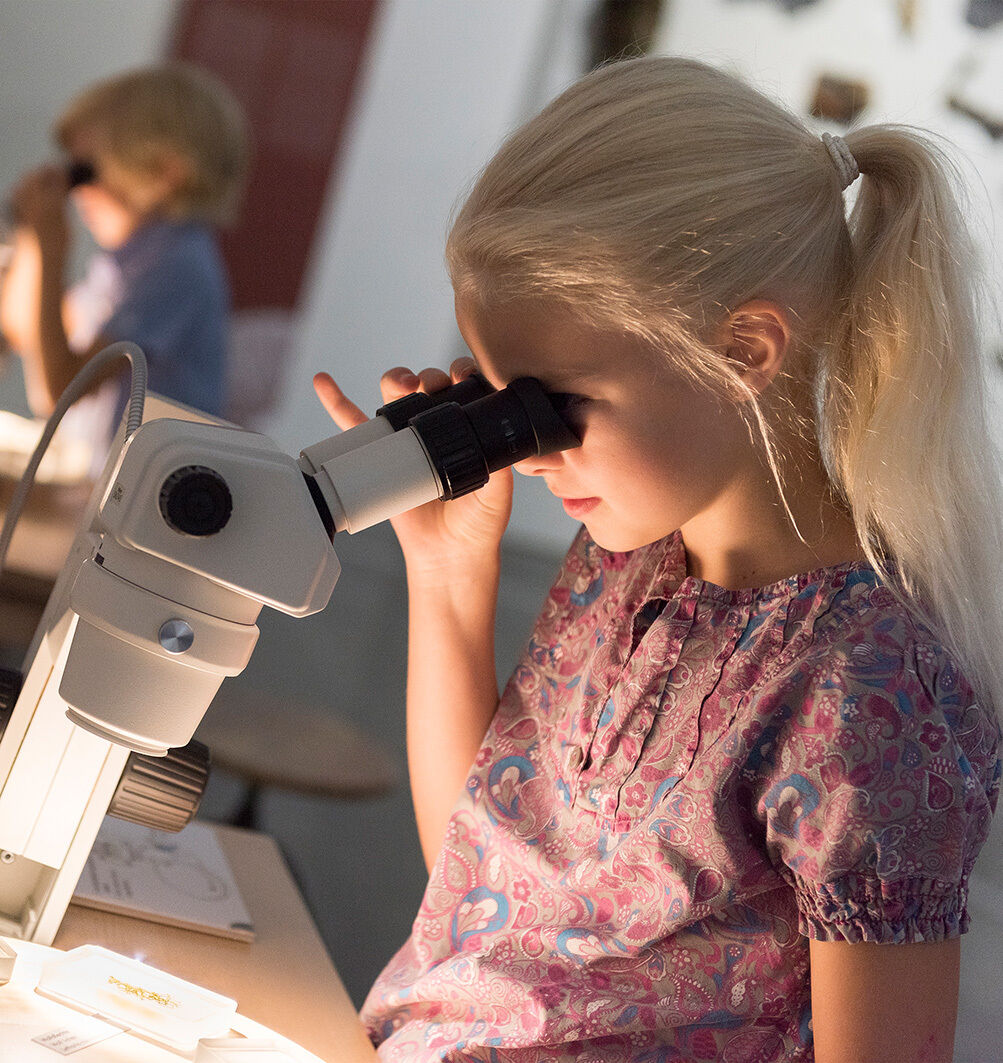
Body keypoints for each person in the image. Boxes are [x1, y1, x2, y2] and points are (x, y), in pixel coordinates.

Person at [316, 57, 1003, 1062]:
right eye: (509, 405)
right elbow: (482, 902)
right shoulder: (627, 561)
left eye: (559, 406)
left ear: (742, 350)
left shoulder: (868, 684)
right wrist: (450, 573)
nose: (534, 449)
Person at [0, 63, 248, 447]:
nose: (76, 192)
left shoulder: (177, 266)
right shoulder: (133, 261)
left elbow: (57, 393)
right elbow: (24, 328)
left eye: (84, 173)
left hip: (139, 498)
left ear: (166, 173)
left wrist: (50, 251)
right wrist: (33, 236)